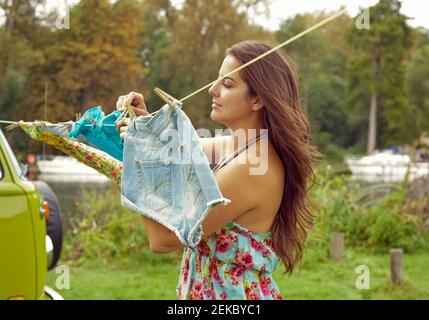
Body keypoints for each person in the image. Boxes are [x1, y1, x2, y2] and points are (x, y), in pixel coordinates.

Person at [115, 40, 320, 300]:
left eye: (227, 84)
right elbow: (174, 150)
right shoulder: (238, 145)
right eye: (217, 79)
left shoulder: (252, 167)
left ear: (257, 99)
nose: (212, 89)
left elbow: (164, 239)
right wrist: (144, 121)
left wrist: (141, 155)